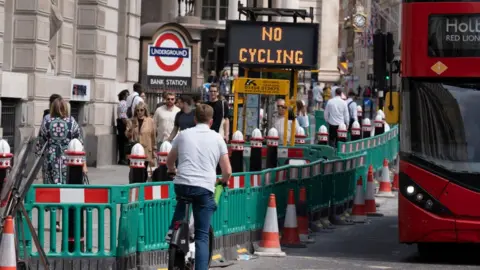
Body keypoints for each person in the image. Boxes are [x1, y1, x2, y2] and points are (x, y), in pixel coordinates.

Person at [166, 104, 232, 270]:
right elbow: (227, 171)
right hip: (203, 188)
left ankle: (173, 232)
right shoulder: (217, 138)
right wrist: (223, 180)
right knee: (202, 235)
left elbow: (170, 160)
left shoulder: (183, 135)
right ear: (211, 121)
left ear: (195, 119)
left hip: (182, 185)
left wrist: (171, 169)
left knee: (181, 205)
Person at [125, 102, 157, 182]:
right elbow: (127, 135)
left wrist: (154, 150)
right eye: (137, 110)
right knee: (134, 170)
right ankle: (134, 183)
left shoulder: (150, 121)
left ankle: (142, 185)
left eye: (141, 110)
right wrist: (132, 127)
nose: (139, 112)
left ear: (145, 110)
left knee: (144, 170)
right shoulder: (131, 121)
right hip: (135, 150)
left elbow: (153, 136)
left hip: (146, 149)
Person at [117, 90, 130, 165]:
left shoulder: (121, 103)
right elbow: (123, 117)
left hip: (120, 123)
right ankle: (123, 159)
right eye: (127, 95)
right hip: (123, 124)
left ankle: (122, 158)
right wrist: (127, 126)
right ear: (124, 96)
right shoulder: (124, 103)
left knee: (122, 142)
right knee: (124, 142)